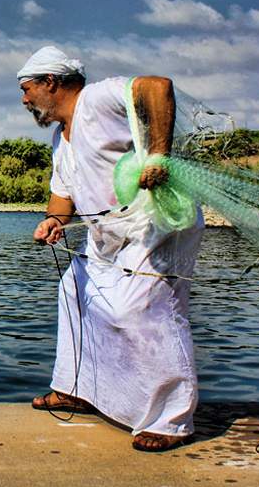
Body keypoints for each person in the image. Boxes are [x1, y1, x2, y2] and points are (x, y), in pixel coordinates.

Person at [17, 46, 204, 452]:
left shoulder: (98, 98)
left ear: (52, 82)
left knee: (142, 309)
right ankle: (76, 389)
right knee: (74, 292)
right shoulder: (59, 139)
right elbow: (62, 198)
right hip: (107, 232)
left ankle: (171, 420)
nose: (24, 99)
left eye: (27, 88)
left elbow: (158, 87)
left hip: (152, 224)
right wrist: (53, 221)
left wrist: (157, 157)